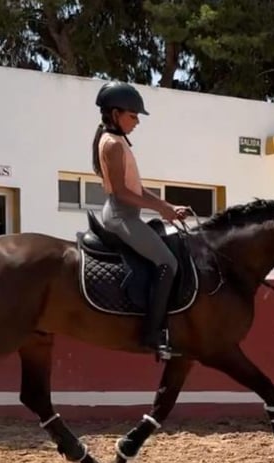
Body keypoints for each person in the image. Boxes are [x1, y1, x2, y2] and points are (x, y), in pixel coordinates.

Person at [91, 79, 190, 360]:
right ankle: (151, 334)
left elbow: (136, 187)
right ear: (115, 115)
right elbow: (122, 192)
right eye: (132, 116)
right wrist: (161, 210)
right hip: (120, 215)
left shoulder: (119, 141)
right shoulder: (111, 144)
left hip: (127, 211)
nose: (136, 122)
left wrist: (166, 205)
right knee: (167, 263)